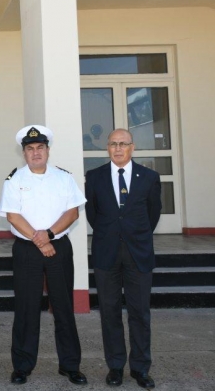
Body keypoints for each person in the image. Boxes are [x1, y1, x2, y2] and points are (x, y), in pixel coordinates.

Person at [0, 125, 88, 386]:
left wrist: (48, 235)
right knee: (26, 308)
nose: (35, 153)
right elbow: (13, 215)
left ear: (48, 150)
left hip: (58, 246)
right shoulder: (15, 179)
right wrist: (40, 240)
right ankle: (22, 366)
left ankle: (70, 365)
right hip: (27, 250)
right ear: (24, 153)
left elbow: (72, 213)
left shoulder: (64, 177)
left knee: (63, 307)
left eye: (40, 148)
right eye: (30, 149)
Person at [85, 129, 161, 389]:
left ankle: (140, 368)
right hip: (106, 254)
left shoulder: (149, 177)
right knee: (109, 312)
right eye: (113, 144)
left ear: (132, 147)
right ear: (107, 147)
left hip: (138, 254)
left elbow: (153, 213)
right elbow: (93, 214)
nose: (118, 148)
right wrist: (113, 234)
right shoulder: (94, 177)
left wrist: (133, 235)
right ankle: (115, 367)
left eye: (123, 144)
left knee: (140, 313)